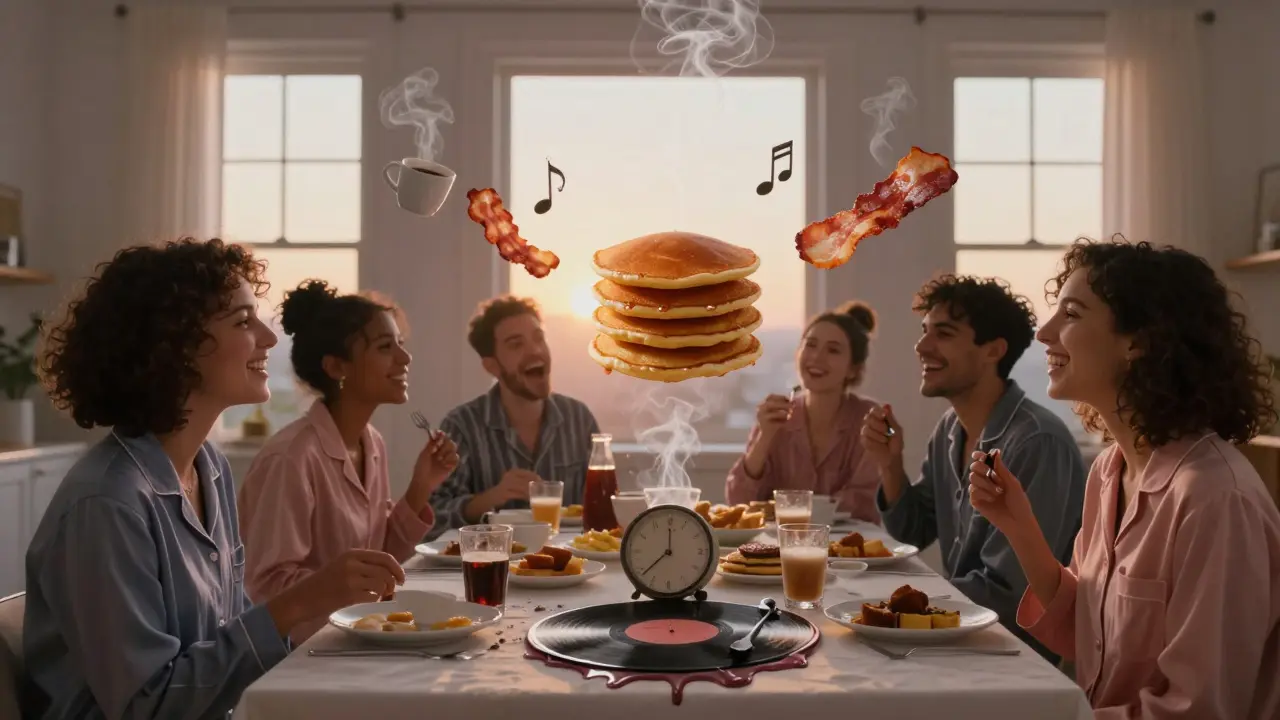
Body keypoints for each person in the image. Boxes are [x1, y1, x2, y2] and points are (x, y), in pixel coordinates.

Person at [23, 239, 406, 719]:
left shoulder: (209, 467)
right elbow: (151, 707)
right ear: (176, 345)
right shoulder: (107, 502)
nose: (268, 339)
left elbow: (228, 638)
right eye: (243, 322)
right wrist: (300, 601)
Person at [967, 240, 1280, 717]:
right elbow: (1085, 634)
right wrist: (1019, 526)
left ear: (1139, 341)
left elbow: (1200, 709)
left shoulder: (1215, 499)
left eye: (1071, 314)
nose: (1045, 332)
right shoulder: (1109, 471)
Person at [861, 274, 1087, 662]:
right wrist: (890, 465)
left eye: (943, 334)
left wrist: (900, 599)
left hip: (1016, 658)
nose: (922, 346)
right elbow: (912, 530)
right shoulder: (950, 427)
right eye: (924, 331)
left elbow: (1009, 592)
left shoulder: (1037, 442)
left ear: (993, 350)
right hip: (963, 639)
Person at [237, 280, 459, 643]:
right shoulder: (290, 458)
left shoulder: (372, 443)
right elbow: (264, 590)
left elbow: (379, 560)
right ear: (337, 367)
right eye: (386, 347)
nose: (405, 359)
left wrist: (421, 486)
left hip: (358, 637)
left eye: (400, 345)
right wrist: (343, 589)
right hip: (298, 658)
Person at [427, 295, 599, 537]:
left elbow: (601, 511)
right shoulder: (461, 426)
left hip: (567, 568)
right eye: (516, 344)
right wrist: (491, 498)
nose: (536, 351)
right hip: (493, 567)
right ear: (492, 366)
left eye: (539, 338)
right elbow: (432, 517)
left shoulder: (579, 419)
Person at [726, 301, 884, 522]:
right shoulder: (775, 417)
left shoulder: (870, 418)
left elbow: (866, 503)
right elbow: (738, 502)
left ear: (853, 369)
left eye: (833, 350)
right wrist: (764, 438)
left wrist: (788, 507)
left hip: (850, 549)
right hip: (780, 547)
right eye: (810, 345)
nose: (817, 358)